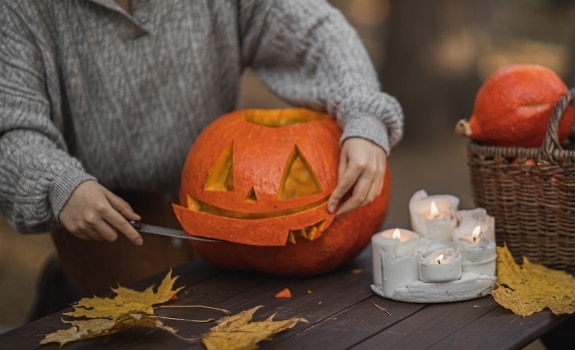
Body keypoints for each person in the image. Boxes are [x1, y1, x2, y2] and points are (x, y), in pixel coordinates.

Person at [0, 0, 403, 313]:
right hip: (104, 234)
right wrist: (59, 184)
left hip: (219, 252)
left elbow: (314, 31)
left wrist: (362, 111)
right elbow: (11, 125)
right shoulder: (22, 10)